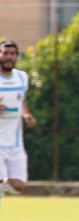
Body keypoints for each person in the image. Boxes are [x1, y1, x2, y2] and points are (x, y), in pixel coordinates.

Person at [0, 40, 37, 197]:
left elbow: (21, 100)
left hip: (15, 143)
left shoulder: (22, 77)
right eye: (5, 53)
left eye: (12, 53)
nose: (9, 57)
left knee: (18, 186)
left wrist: (26, 115)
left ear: (16, 56)